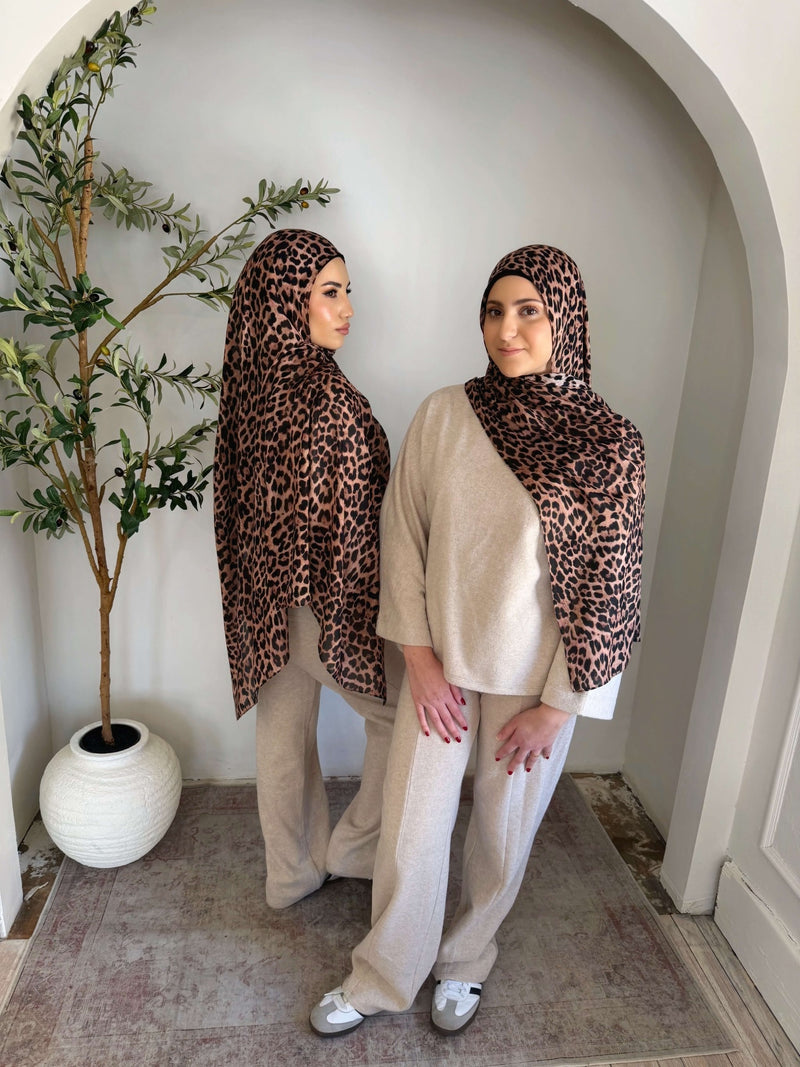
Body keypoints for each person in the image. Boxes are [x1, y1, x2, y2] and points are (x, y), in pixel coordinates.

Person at [310, 244, 646, 1035]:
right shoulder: (444, 414)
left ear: (566, 319)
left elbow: (614, 585)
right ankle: (384, 972)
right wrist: (419, 659)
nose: (507, 329)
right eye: (495, 311)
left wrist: (561, 706)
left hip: (537, 682)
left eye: (529, 311)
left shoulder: (609, 443)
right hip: (441, 668)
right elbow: (402, 536)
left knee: (502, 830)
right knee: (412, 827)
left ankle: (465, 959)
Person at [214, 228, 401, 910]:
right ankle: (355, 847)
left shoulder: (250, 387)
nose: (347, 308)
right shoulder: (332, 400)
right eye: (329, 292)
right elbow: (351, 530)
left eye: (347, 291)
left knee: (283, 730)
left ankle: (290, 873)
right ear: (285, 300)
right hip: (325, 599)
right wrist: (364, 617)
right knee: (404, 714)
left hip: (261, 597)